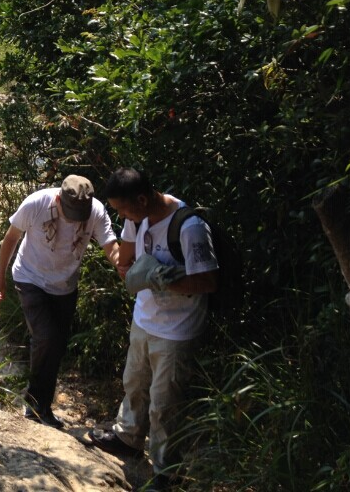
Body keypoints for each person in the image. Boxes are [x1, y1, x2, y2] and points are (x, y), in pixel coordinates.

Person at [85, 167, 218, 491]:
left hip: (177, 331)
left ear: (142, 199)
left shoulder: (189, 227)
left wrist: (162, 278)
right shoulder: (136, 219)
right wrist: (129, 270)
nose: (122, 216)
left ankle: (166, 471)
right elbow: (125, 261)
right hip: (144, 318)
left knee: (164, 404)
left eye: (123, 209)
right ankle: (128, 438)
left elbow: (208, 281)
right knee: (134, 383)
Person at [0, 176, 119, 428]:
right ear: (58, 199)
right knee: (45, 337)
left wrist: (125, 267)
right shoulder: (36, 203)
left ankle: (39, 403)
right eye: (70, 213)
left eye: (79, 215)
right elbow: (11, 238)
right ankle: (36, 405)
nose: (73, 219)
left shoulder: (95, 211)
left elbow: (110, 246)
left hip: (65, 285)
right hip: (30, 277)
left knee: (56, 346)